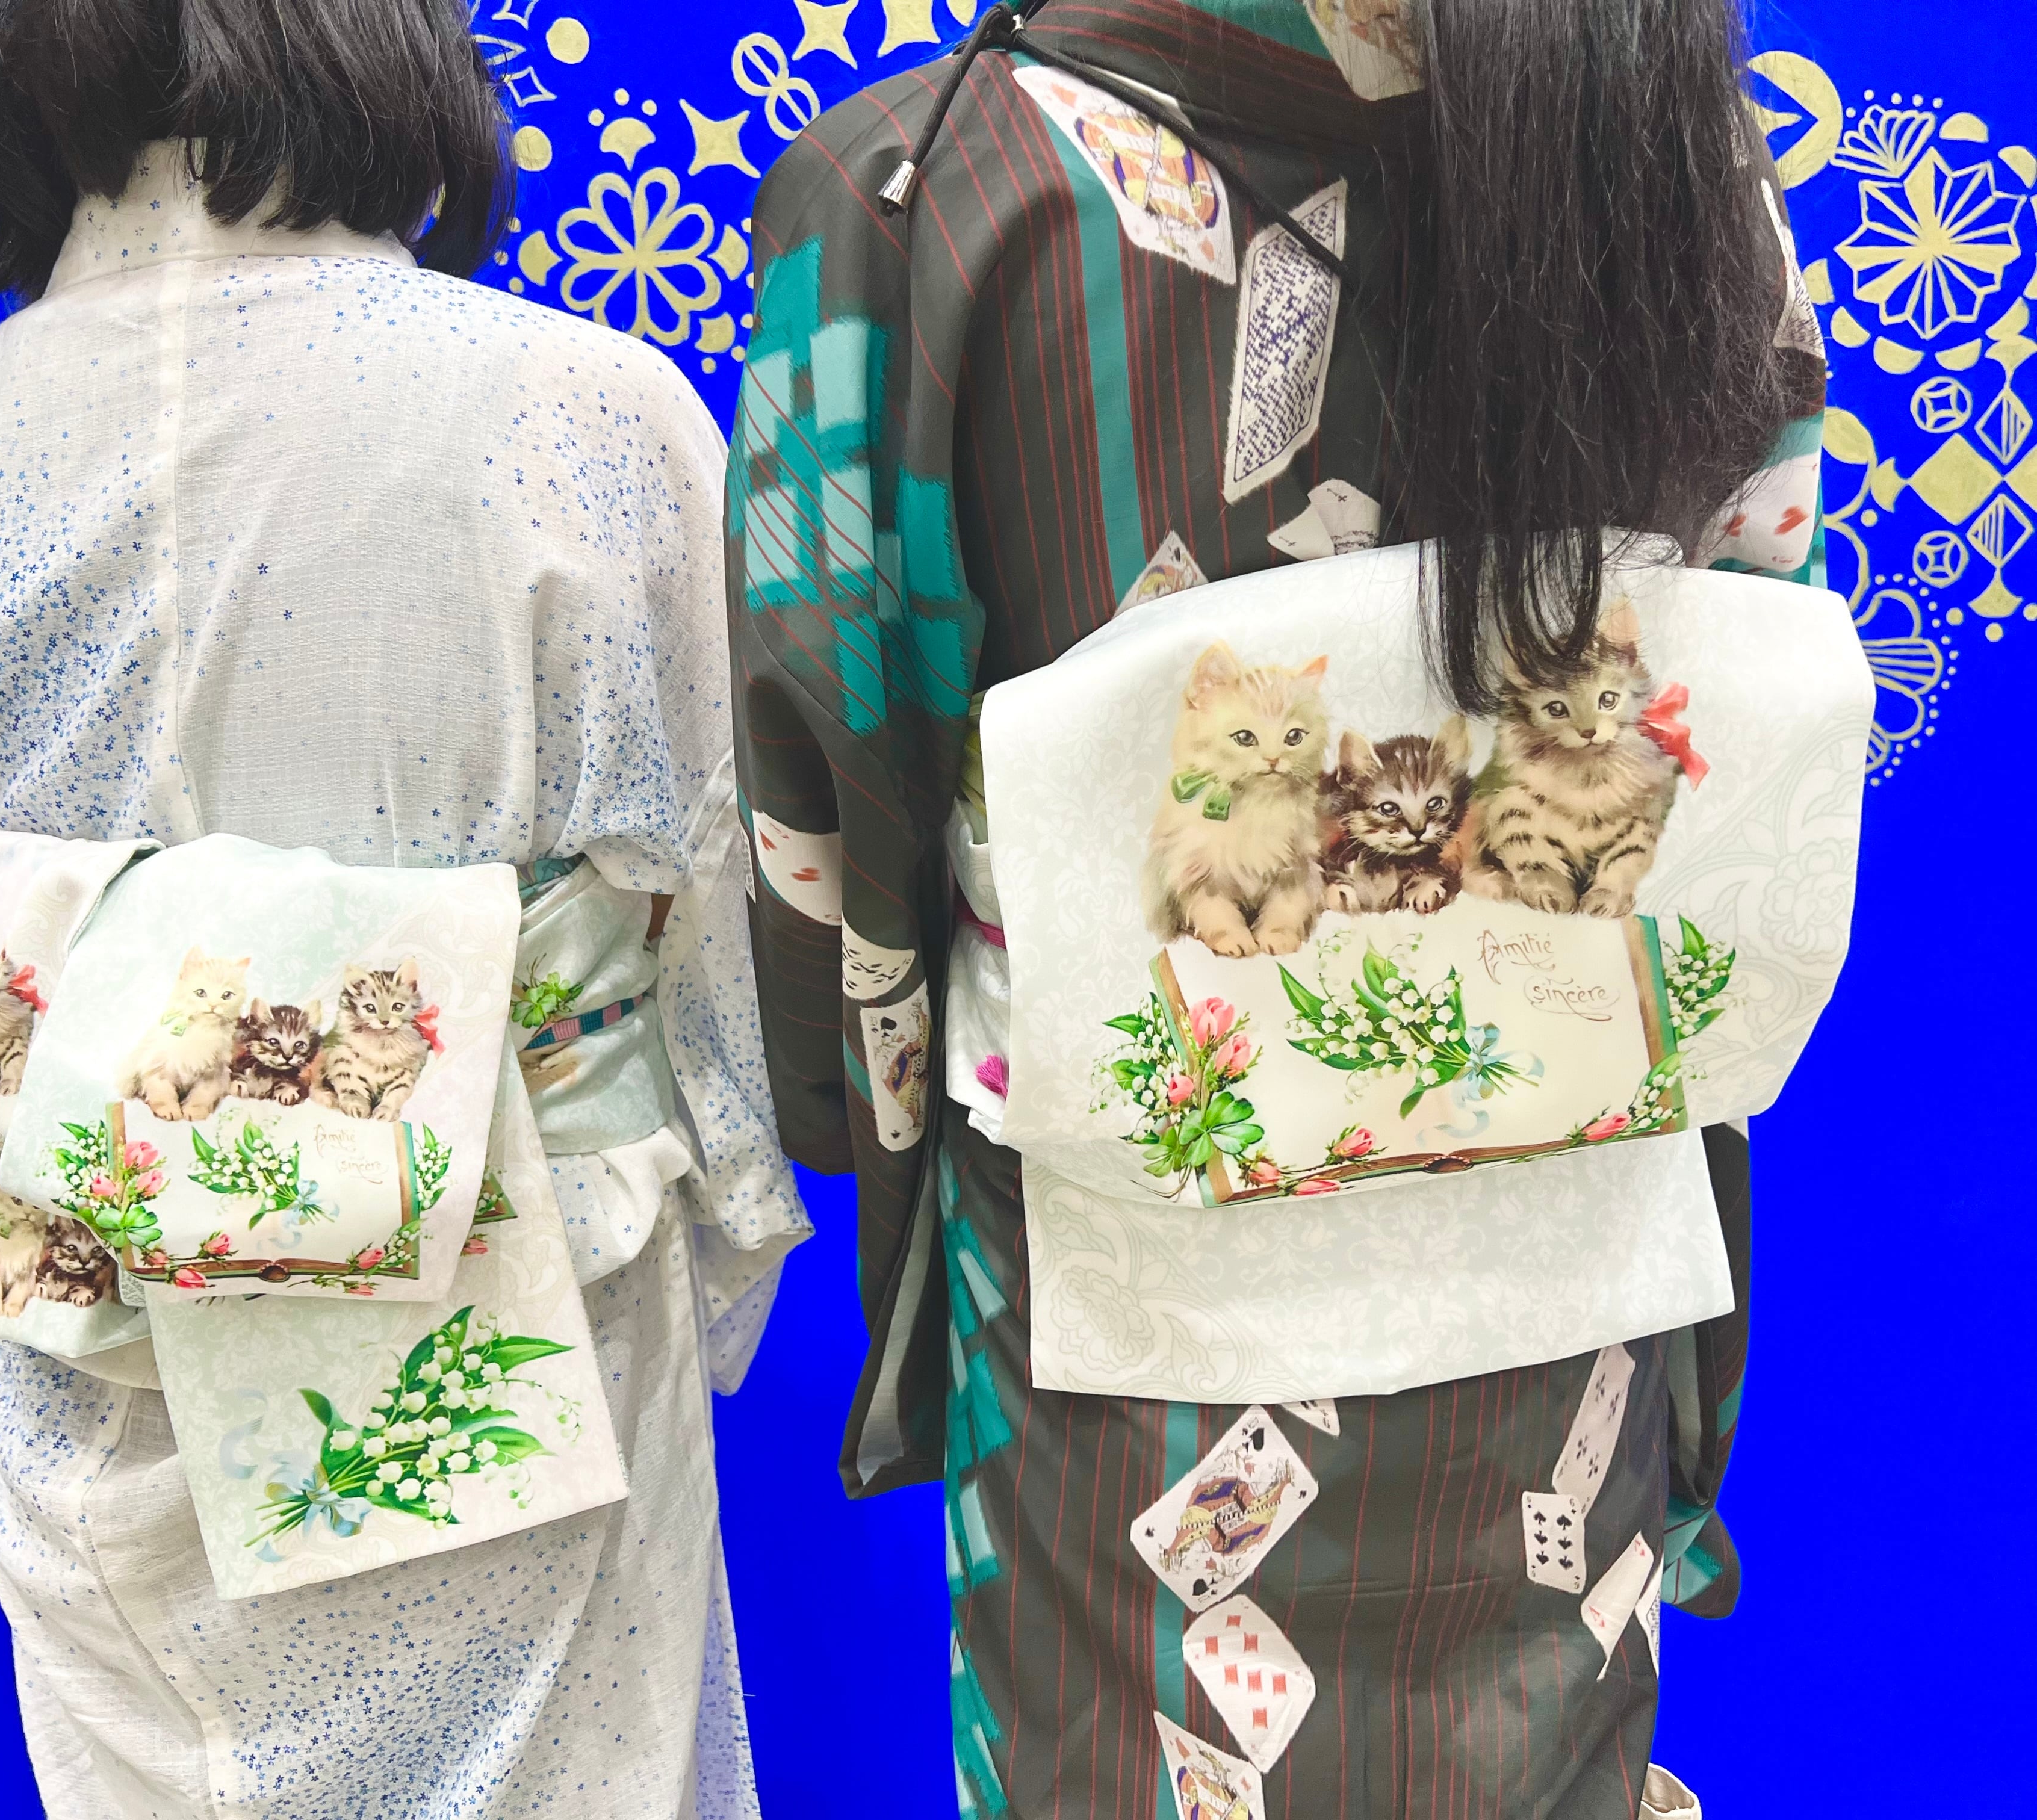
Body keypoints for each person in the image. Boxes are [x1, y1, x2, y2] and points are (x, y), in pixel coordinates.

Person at [727, 0, 1824, 1813]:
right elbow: (1749, 606)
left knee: (1145, 1754)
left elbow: (833, 781)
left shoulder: (931, 186)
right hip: (1562, 1230)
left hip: (1140, 1287)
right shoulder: (1678, 161)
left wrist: (869, 1101)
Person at [0, 3, 806, 1814]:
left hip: (98, 1375)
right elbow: (721, 880)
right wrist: (742, 1211)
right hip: (519, 1334)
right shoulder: (583, 412)